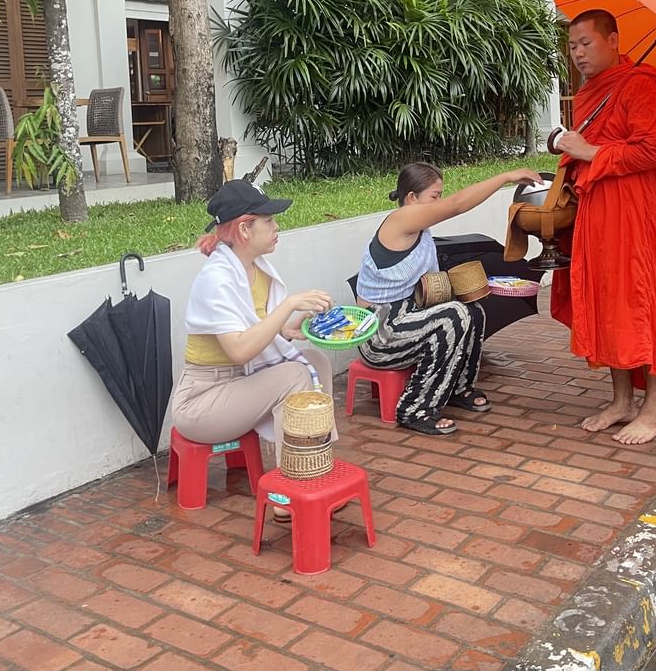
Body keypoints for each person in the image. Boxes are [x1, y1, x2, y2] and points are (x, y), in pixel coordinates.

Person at [549, 9, 656, 446]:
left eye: (586, 43)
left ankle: (653, 410)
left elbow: (655, 150)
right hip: (598, 209)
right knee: (609, 298)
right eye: (572, 45)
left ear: (613, 40)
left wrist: (591, 152)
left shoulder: (644, 83)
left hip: (637, 211)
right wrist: (571, 152)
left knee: (642, 299)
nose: (577, 53)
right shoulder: (593, 90)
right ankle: (621, 400)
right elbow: (593, 147)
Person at [171, 180, 335, 515]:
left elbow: (264, 332)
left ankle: (315, 465)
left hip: (239, 385)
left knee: (315, 361)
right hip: (203, 401)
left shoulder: (255, 270)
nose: (277, 228)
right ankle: (288, 497)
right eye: (269, 221)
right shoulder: (216, 278)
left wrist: (300, 323)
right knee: (293, 375)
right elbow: (240, 350)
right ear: (245, 229)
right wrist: (288, 305)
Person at [355, 162, 542, 436]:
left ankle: (458, 387)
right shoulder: (401, 220)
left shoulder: (420, 231)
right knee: (453, 316)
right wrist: (506, 176)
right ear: (412, 198)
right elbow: (457, 204)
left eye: (440, 196)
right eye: (434, 196)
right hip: (379, 332)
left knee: (472, 308)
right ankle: (414, 409)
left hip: (407, 317)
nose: (439, 203)